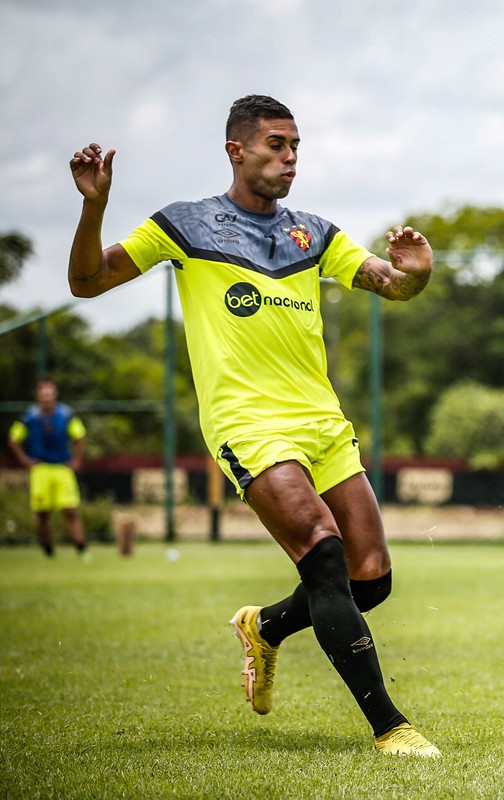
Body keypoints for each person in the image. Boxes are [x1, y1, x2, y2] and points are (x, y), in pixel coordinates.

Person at [67, 95, 439, 756]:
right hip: (248, 424)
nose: (289, 158)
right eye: (275, 144)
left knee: (371, 578)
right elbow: (88, 282)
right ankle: (391, 726)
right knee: (323, 553)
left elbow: (391, 285)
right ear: (236, 150)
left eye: (295, 146)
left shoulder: (314, 234)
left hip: (322, 423)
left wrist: (416, 275)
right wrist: (94, 206)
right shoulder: (184, 225)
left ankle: (265, 625)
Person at [8, 376, 89, 559]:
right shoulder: (29, 417)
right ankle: (48, 550)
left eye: (49, 391)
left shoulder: (66, 415)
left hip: (62, 468)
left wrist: (76, 460)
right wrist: (24, 459)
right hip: (40, 469)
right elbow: (13, 439)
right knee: (42, 513)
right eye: (43, 391)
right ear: (38, 394)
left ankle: (82, 549)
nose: (46, 395)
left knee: (70, 509)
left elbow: (80, 436)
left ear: (55, 393)